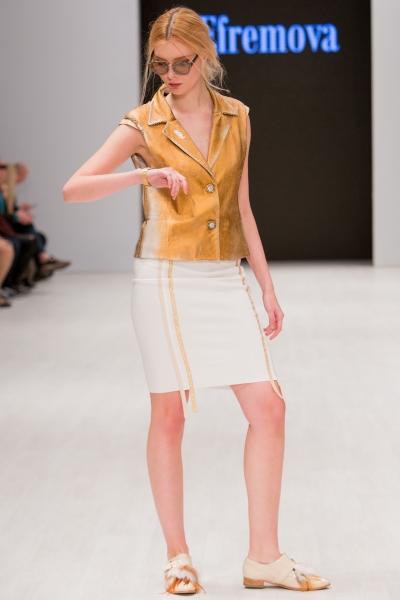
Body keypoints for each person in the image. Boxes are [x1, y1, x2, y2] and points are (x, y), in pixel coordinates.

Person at [63, 7, 330, 594]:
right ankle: (177, 557)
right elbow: (73, 188)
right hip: (163, 279)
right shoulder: (143, 123)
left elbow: (242, 208)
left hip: (223, 277)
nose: (171, 75)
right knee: (170, 413)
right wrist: (142, 177)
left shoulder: (238, 116)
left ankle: (264, 557)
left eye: (182, 63)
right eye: (160, 65)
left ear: (206, 56)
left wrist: (266, 284)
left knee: (269, 408)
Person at [0, 160, 70, 275]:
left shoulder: (6, 191)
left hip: (6, 226)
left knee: (36, 236)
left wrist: (19, 212)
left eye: (5, 167)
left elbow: (6, 211)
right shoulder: (6, 191)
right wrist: (16, 216)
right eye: (2, 167)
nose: (5, 170)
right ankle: (42, 260)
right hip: (4, 228)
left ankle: (35, 270)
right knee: (26, 240)